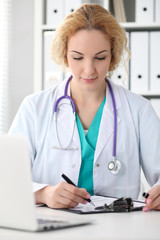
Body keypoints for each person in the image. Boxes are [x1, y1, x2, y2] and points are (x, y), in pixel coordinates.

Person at [9, 3, 160, 211]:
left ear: (113, 55)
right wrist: (44, 193)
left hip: (120, 229)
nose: (89, 70)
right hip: (53, 226)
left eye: (100, 57)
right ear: (64, 54)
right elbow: (7, 179)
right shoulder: (34, 108)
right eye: (78, 57)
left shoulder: (139, 110)